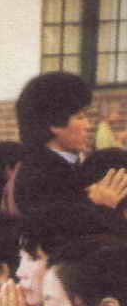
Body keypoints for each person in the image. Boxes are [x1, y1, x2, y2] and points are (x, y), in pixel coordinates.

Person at [13, 72, 127, 214]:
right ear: (55, 124)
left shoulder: (72, 165)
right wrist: (99, 204)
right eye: (80, 117)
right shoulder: (39, 175)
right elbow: (49, 222)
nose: (88, 125)